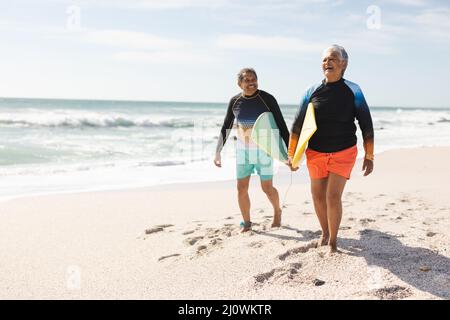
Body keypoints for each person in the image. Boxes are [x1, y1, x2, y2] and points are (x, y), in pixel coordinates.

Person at [288, 45, 374, 254]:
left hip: (343, 151)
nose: (328, 62)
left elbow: (366, 124)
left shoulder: (353, 90)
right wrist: (292, 154)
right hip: (316, 151)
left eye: (333, 58)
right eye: (325, 59)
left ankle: (333, 242)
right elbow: (298, 124)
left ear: (343, 63)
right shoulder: (312, 90)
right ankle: (325, 232)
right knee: (317, 195)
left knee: (332, 196)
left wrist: (369, 155)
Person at [214, 68, 290, 232]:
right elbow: (226, 126)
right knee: (241, 188)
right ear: (239, 83)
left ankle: (277, 211)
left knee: (267, 188)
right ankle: (247, 222)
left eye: (253, 79)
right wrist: (218, 151)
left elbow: (281, 125)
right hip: (243, 151)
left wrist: (288, 152)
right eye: (247, 80)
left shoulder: (267, 99)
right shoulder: (235, 101)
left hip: (265, 150)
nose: (251, 82)